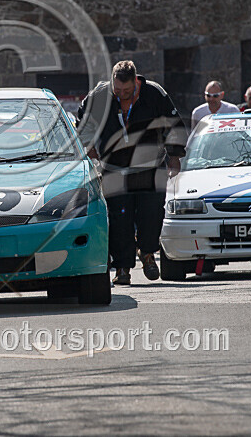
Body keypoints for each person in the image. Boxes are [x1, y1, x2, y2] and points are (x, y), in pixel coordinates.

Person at [77, 60, 187, 285]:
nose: (122, 94)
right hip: (114, 170)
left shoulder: (154, 93)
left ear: (135, 81)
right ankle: (122, 268)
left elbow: (172, 124)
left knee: (151, 215)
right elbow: (83, 123)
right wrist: (89, 148)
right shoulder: (99, 96)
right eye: (117, 90)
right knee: (119, 220)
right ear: (112, 82)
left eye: (127, 91)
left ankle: (146, 253)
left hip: (149, 167)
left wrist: (174, 157)